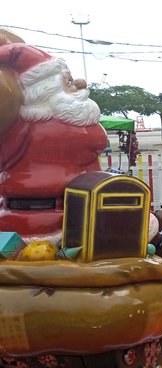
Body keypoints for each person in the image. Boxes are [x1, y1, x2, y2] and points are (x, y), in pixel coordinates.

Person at [0, 33, 106, 241]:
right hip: (68, 216)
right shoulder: (72, 127)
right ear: (45, 91)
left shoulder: (15, 127)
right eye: (68, 82)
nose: (80, 83)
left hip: (11, 212)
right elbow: (99, 141)